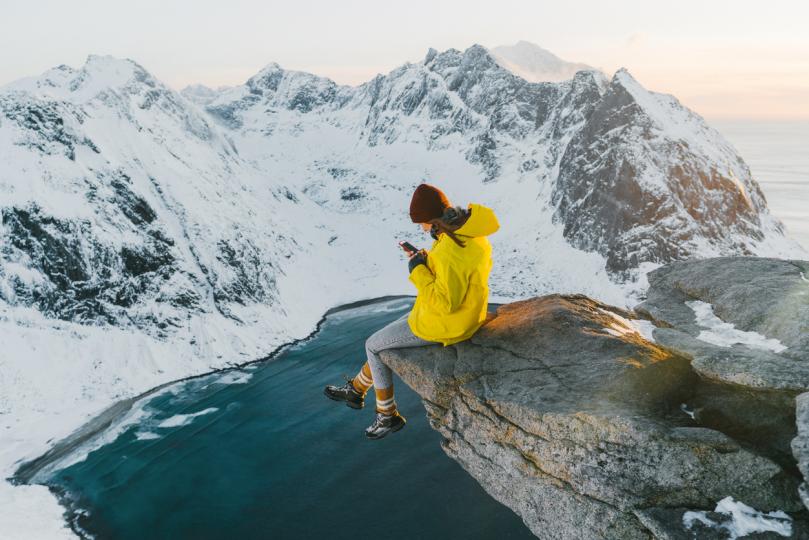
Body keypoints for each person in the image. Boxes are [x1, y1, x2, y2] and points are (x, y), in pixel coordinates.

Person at [324, 183, 500, 439]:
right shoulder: (467, 235)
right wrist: (425, 258)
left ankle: (387, 416)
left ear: (433, 220)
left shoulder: (451, 249)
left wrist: (416, 270)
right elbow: (455, 273)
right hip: (466, 313)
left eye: (422, 223)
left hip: (448, 322)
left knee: (374, 345)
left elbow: (445, 301)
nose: (421, 228)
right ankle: (356, 390)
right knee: (386, 338)